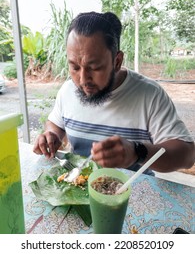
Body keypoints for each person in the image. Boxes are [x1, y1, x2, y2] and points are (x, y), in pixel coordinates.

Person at [33, 11, 195, 175]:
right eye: (74, 67)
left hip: (130, 194)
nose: (82, 80)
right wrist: (51, 135)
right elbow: (55, 124)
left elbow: (187, 155)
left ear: (117, 61)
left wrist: (136, 152)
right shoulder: (67, 91)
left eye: (95, 68)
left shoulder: (149, 95)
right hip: (75, 188)